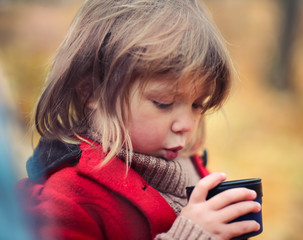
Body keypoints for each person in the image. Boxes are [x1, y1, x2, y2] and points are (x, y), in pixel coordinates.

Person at [17, 0, 261, 239]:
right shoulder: (68, 199)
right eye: (163, 103)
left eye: (198, 105)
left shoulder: (184, 165)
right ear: (92, 91)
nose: (186, 125)